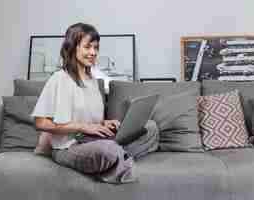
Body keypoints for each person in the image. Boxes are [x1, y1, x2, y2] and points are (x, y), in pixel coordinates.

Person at [31, 23, 159, 184]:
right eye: (87, 47)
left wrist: (105, 123)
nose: (93, 52)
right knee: (109, 150)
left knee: (151, 128)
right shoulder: (59, 79)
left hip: (93, 139)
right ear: (72, 48)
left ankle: (115, 157)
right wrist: (82, 127)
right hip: (69, 147)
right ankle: (116, 156)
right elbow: (40, 123)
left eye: (96, 47)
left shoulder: (92, 81)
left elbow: (91, 120)